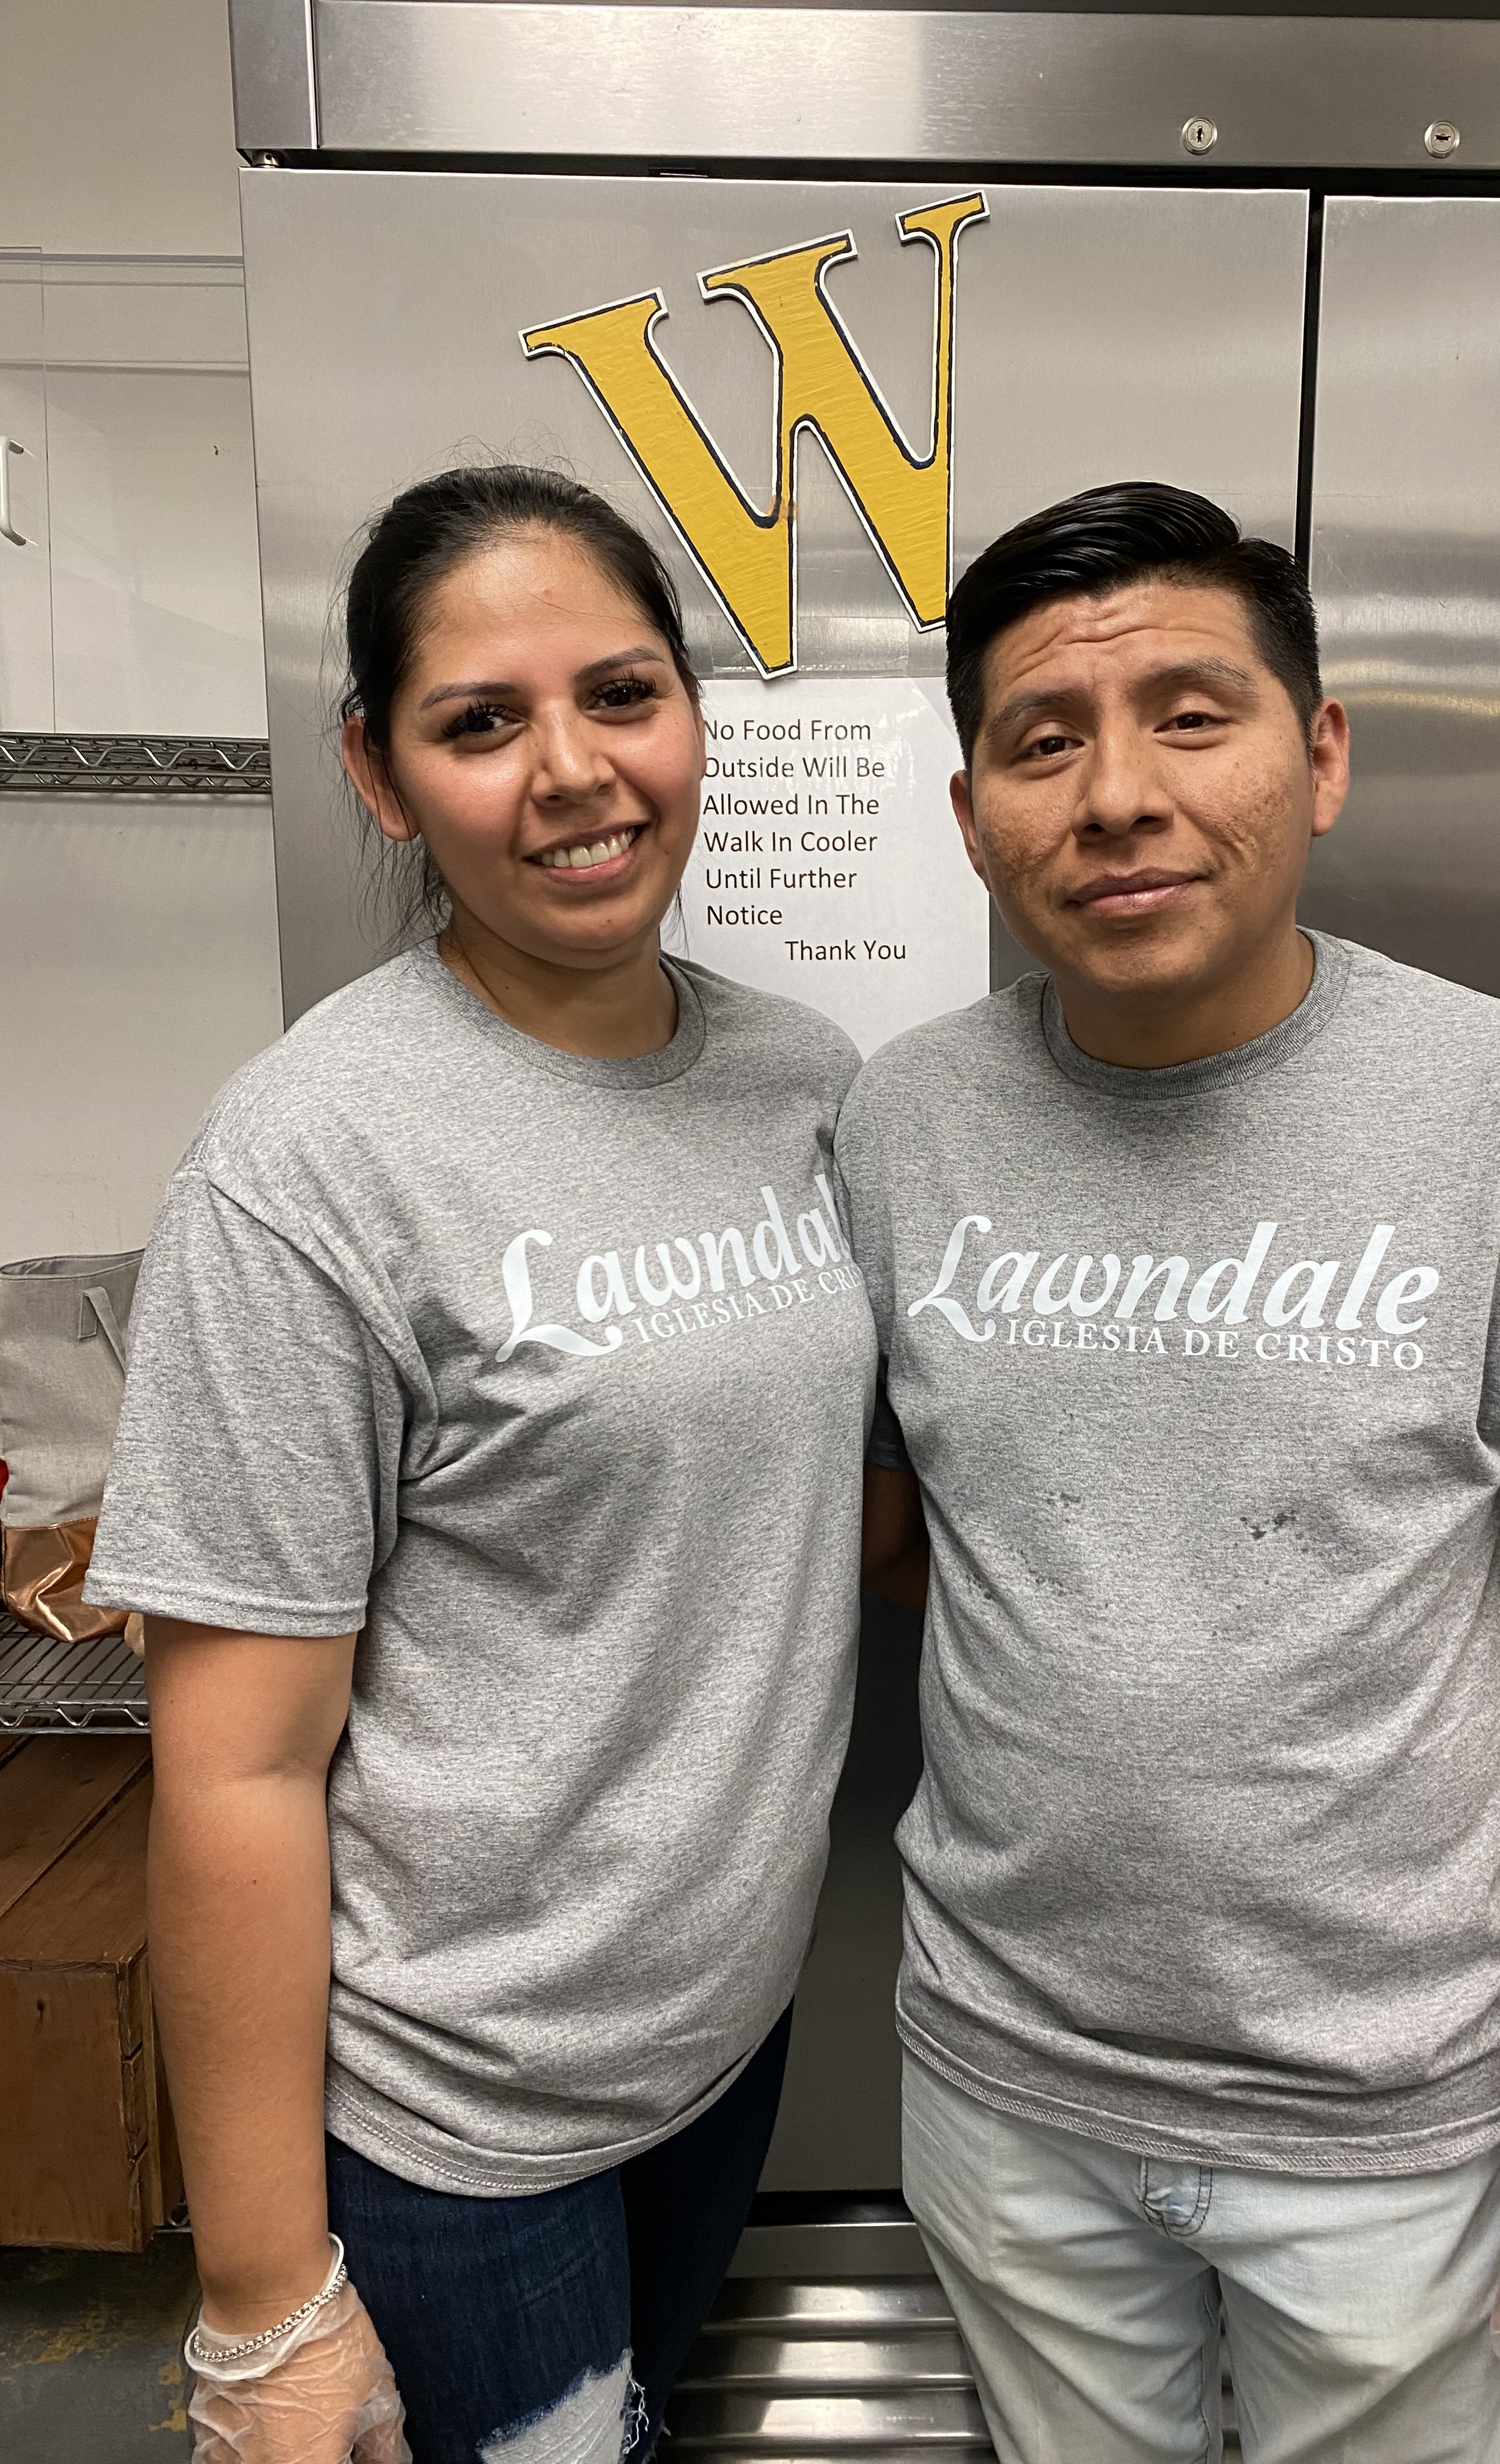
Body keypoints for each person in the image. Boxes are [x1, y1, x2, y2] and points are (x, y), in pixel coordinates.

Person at [845, 481, 1500, 2463]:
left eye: (1192, 717)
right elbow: (915, 1533)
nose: (1119, 796)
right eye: (1044, 741)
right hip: (1004, 2092)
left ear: (1324, 753)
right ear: (972, 816)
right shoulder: (902, 1124)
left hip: (1385, 2130)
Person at [88, 464, 877, 2464]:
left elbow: (815, 1505)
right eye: (480, 721)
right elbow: (238, 1769)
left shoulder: (803, 1083)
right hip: (460, 2110)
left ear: (691, 712)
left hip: (719, 2036)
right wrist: (265, 2301)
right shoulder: (311, 1163)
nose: (573, 772)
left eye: (621, 694)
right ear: (380, 772)